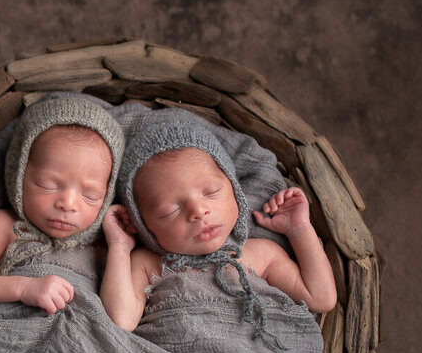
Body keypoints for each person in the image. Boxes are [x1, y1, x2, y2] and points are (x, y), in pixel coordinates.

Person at [100, 108, 337, 333]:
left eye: (211, 192)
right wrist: (119, 247)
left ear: (235, 190)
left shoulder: (260, 254)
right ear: (143, 226)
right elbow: (121, 320)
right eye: (171, 211)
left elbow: (321, 298)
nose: (199, 211)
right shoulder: (148, 263)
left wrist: (299, 228)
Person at [0, 93, 125, 314]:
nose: (68, 204)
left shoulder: (106, 242)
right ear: (18, 176)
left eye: (90, 195)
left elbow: (121, 317)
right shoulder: (5, 226)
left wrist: (119, 246)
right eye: (48, 185)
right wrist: (24, 288)